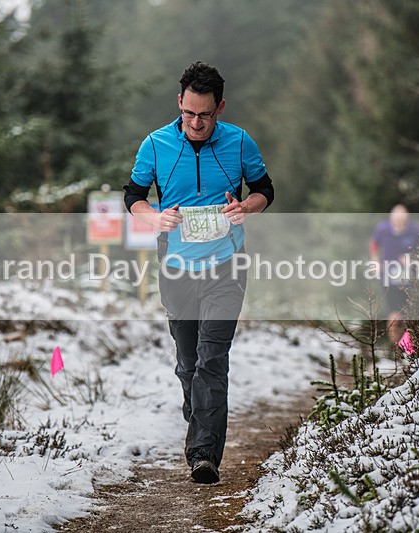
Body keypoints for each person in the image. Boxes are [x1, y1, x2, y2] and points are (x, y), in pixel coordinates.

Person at [123, 61, 274, 484]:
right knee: (188, 360)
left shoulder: (240, 142)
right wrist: (153, 218)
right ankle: (197, 410)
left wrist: (246, 207)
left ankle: (203, 453)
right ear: (179, 103)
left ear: (219, 108)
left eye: (204, 115)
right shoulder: (155, 145)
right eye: (188, 113)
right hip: (176, 267)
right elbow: (133, 195)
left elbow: (265, 190)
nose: (195, 122)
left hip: (227, 265)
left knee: (212, 358)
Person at [369, 204, 419, 343]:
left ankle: (408, 351)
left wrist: (412, 259)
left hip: (410, 280)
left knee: (409, 316)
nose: (399, 224)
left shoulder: (416, 231)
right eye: (396, 220)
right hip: (389, 278)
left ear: (407, 220)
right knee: (394, 315)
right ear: (391, 219)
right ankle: (395, 350)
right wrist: (375, 261)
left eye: (402, 221)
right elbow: (374, 244)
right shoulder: (383, 229)